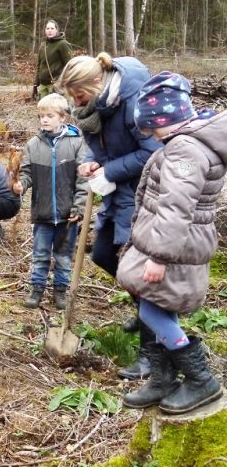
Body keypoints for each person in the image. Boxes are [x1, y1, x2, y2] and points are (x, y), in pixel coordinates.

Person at [117, 72, 225, 414]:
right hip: (178, 243)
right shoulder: (185, 144)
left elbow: (176, 208)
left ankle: (200, 379)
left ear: (161, 120)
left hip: (175, 248)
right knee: (155, 306)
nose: (150, 136)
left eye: (151, 129)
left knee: (152, 307)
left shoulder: (184, 152)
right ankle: (163, 378)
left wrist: (160, 256)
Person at [55, 52, 162, 381]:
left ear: (96, 84)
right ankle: (146, 312)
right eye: (72, 96)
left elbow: (152, 152)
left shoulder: (132, 102)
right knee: (102, 255)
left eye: (79, 94)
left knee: (141, 273)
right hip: (118, 191)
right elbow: (97, 143)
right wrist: (91, 161)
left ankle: (152, 352)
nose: (76, 101)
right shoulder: (93, 107)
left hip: (143, 192)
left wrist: (110, 170)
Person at [12, 93, 88, 309]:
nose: (44, 120)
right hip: (43, 213)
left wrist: (79, 207)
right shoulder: (33, 145)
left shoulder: (76, 143)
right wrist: (21, 185)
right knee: (41, 254)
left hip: (67, 215)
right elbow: (26, 174)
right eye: (41, 116)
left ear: (62, 118)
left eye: (49, 116)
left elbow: (83, 180)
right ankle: (37, 288)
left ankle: (60, 291)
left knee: (63, 256)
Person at [33, 20, 71, 100]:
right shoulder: (43, 45)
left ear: (56, 30)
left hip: (56, 85)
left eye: (52, 28)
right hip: (43, 85)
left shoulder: (63, 44)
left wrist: (60, 80)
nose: (49, 31)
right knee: (43, 110)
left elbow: (69, 65)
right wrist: (35, 84)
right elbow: (39, 66)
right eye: (47, 28)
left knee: (56, 110)